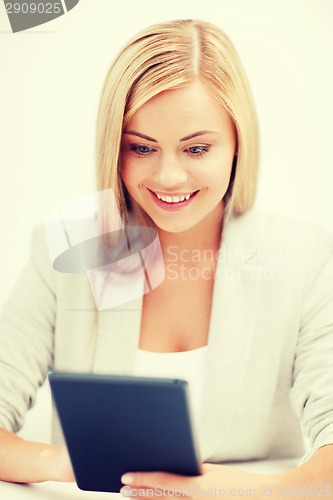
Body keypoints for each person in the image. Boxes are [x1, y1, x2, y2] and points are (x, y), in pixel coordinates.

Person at [0, 19, 333, 495]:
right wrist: (70, 462)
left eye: (197, 147)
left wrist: (255, 492)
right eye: (141, 147)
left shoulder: (306, 258)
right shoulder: (67, 250)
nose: (169, 176)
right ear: (115, 148)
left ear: (239, 144)